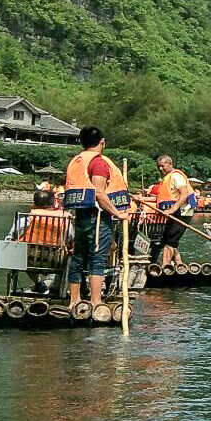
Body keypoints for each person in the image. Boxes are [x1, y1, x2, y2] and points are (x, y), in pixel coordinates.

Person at [62, 127, 129, 311]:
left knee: (77, 258)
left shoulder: (76, 161)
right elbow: (99, 193)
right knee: (97, 259)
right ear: (102, 142)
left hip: (80, 216)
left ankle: (74, 300)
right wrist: (118, 213)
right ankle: (96, 301)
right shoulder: (98, 163)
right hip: (97, 217)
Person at [148, 155, 197, 270]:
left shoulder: (176, 176)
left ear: (170, 164)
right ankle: (179, 264)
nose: (160, 169)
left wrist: (172, 209)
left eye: (162, 166)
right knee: (168, 239)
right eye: (158, 167)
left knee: (170, 240)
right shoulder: (167, 178)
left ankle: (165, 267)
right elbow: (163, 198)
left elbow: (184, 194)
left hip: (182, 212)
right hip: (175, 212)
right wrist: (140, 199)